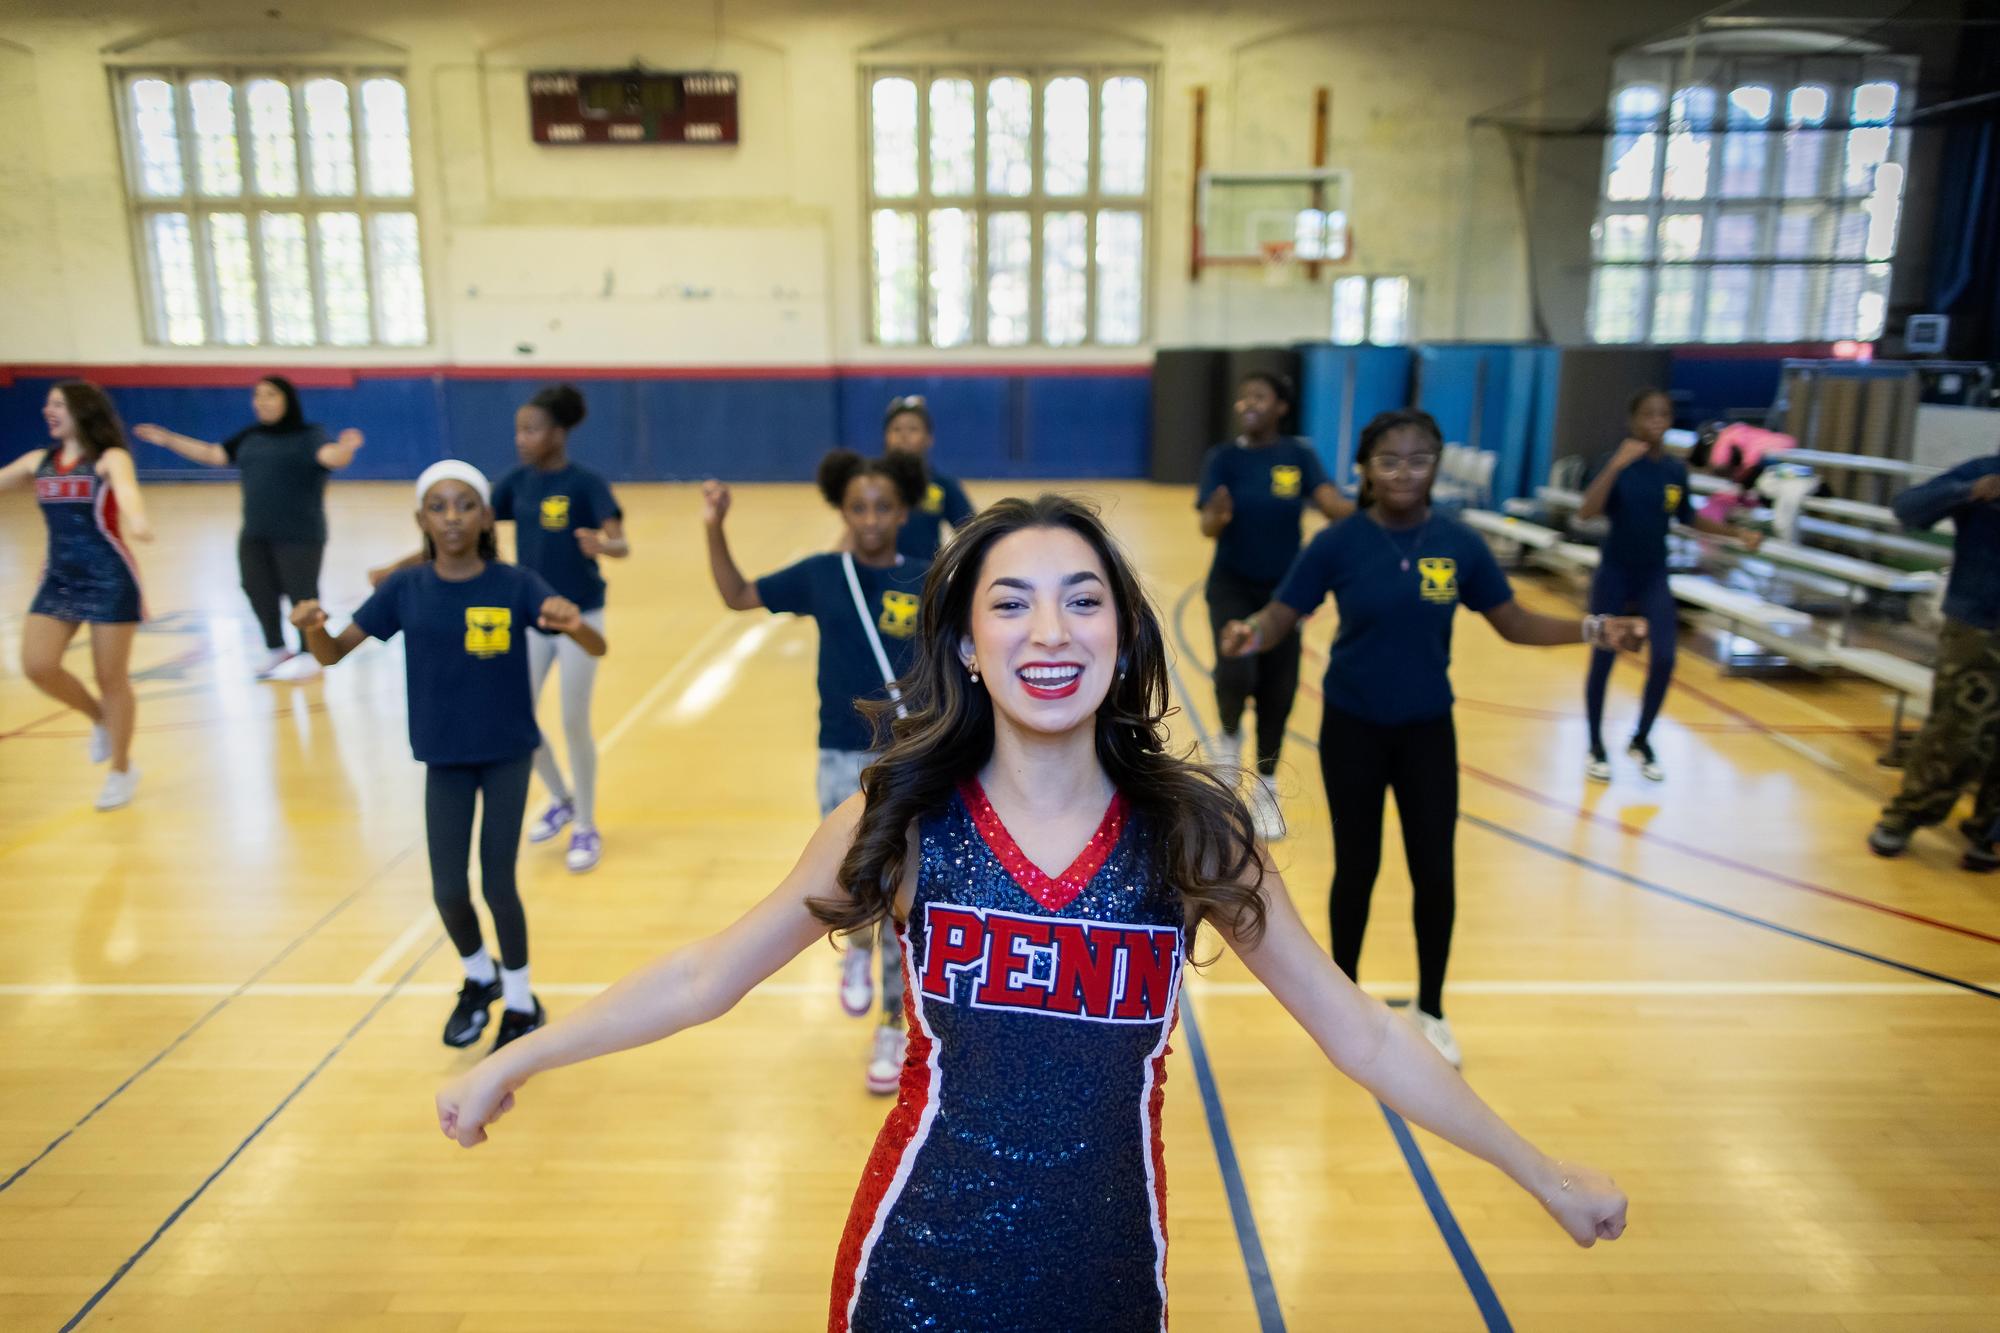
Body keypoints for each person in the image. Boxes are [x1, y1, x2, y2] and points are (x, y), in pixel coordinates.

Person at [435, 494, 1630, 1331]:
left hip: (1111, 1278)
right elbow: (707, 975)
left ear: (1121, 637)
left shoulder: (1191, 836)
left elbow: (1360, 1032)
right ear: (963, 639)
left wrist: (1539, 1170)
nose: (1048, 632)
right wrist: (522, 1057)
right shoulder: (898, 824)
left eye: (1081, 602)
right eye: (1010, 605)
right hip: (913, 1271)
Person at [1221, 410, 1646, 1067]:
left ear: (1436, 466)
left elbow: (1514, 621)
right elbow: (1284, 611)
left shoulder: (1459, 543)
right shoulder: (1340, 543)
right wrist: (1252, 631)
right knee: (1356, 868)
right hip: (1352, 727)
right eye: (1390, 459)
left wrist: (1593, 630)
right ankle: (1346, 1010)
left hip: (1426, 730)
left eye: (1419, 459)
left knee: (1433, 870)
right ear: (1364, 467)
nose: (1404, 471)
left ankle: (1433, 1008)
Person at [295, 461, 606, 1051]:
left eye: (465, 504)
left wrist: (575, 627)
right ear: (421, 519)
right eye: (438, 507)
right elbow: (333, 654)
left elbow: (598, 643)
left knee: (497, 883)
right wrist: (313, 628)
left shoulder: (515, 583)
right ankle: (478, 976)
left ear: (486, 515)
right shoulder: (404, 590)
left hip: (507, 751)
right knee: (446, 889)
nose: (452, 517)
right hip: (444, 756)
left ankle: (520, 1000)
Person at [702, 449, 929, 1093]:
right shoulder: (823, 574)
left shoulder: (926, 576)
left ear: (903, 511)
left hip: (910, 757)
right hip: (840, 756)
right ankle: (854, 951)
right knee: (854, 882)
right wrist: (714, 525)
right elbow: (738, 595)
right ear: (842, 512)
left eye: (883, 506)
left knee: (899, 899)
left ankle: (891, 1025)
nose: (871, 518)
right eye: (858, 507)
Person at [372, 385, 629, 874]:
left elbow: (621, 544)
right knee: (520, 723)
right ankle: (561, 797)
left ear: (557, 433)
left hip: (579, 616)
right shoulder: (516, 484)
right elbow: (459, 532)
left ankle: (587, 825)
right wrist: (398, 566)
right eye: (518, 430)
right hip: (525, 618)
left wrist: (604, 545)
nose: (521, 439)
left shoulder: (585, 484)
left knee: (574, 723)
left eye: (531, 430)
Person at [1575, 388, 1761, 783]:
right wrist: (1616, 466)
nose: (1656, 421)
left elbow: (1689, 517)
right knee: (1604, 656)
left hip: (1653, 575)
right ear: (1633, 420)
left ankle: (1641, 739)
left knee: (1664, 659)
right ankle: (1595, 745)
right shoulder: (1617, 463)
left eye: (1663, 414)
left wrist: (1735, 533)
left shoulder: (1674, 471)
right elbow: (1586, 511)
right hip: (1614, 573)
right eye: (1648, 414)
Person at [1196, 370, 1352, 839]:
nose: (1248, 403)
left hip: (1285, 593)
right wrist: (1217, 517)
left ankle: (1265, 788)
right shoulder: (1223, 458)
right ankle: (1226, 747)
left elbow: (1331, 505)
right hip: (1231, 585)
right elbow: (1207, 524)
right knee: (1236, 672)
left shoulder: (1297, 456)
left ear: (1280, 406)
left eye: (1259, 396)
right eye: (1243, 396)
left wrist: (1378, 509)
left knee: (1278, 691)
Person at [133, 376, 364, 680]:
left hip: (300, 533)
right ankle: (275, 648)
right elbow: (213, 454)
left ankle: (310, 652)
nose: (262, 401)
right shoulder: (250, 436)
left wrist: (347, 448)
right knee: (256, 588)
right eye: (257, 396)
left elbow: (332, 457)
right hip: (256, 531)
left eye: (270, 395)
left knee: (302, 595)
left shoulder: (310, 435)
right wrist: (168, 438)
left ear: (286, 399)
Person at [3, 381, 154, 810]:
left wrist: (139, 521)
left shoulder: (109, 458)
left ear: (82, 411)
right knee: (37, 664)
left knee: (112, 679)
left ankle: (122, 770)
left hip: (110, 577)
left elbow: (127, 493)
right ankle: (100, 720)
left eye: (58, 404)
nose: (48, 410)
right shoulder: (39, 461)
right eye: (47, 403)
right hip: (58, 577)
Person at [1869, 444, 2000, 870]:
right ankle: (1905, 817)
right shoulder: (1984, 471)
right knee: (1954, 731)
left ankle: (1987, 832)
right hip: (1977, 625)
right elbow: (1908, 509)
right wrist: (1969, 492)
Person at [882, 395, 974, 561]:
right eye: (896, 429)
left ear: (929, 439)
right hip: (878, 579)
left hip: (924, 578)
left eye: (913, 429)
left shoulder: (942, 485)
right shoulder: (873, 484)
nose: (904, 436)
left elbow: (972, 534)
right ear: (886, 437)